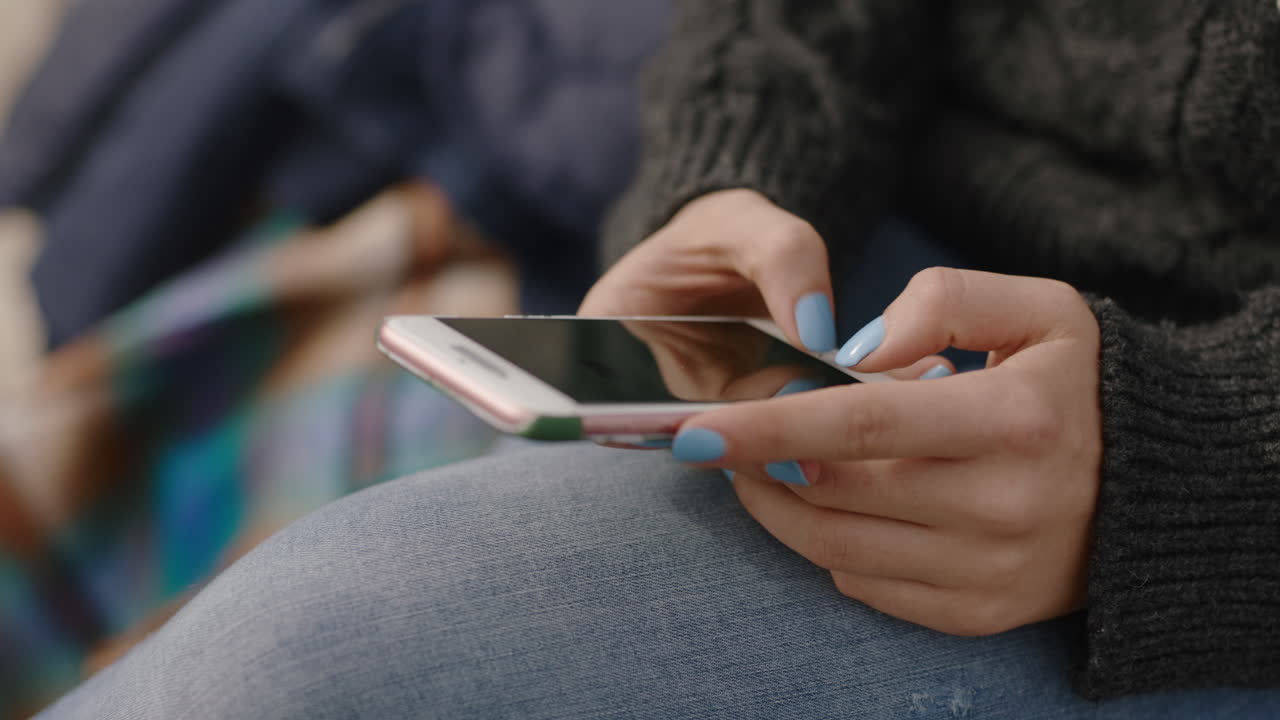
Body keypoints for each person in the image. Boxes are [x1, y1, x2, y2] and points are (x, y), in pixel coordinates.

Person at [38, 1, 1280, 717]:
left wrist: (1207, 467)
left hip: (1194, 477)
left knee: (309, 668)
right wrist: (733, 163)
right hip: (871, 246)